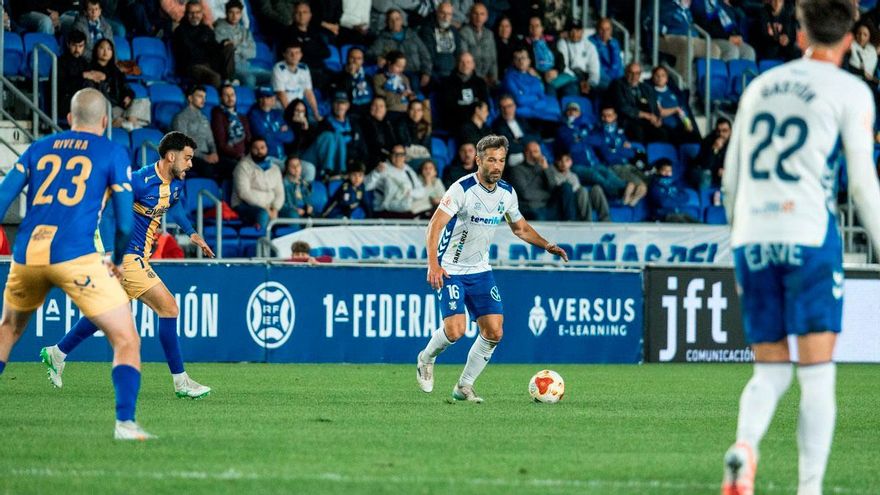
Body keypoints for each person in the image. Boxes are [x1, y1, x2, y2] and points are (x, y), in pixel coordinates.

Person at [720, 2, 880, 494]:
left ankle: (745, 449)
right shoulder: (852, 90)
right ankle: (808, 489)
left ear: (799, 30)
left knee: (770, 369)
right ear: (852, 36)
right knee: (817, 375)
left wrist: (740, 234)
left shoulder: (761, 86)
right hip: (808, 238)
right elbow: (861, 186)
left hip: (752, 238)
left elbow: (730, 180)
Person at [0, 88, 153, 440]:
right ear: (105, 121)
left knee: (8, 329)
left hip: (28, 253)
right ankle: (125, 424)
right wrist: (116, 259)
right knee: (126, 337)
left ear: (69, 119)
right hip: (77, 256)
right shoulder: (113, 151)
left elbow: (3, 198)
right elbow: (126, 222)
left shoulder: (39, 147)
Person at [41, 131, 215, 400]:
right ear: (171, 156)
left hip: (140, 256)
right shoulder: (140, 181)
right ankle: (181, 382)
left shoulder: (177, 182)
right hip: (127, 256)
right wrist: (111, 251)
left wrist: (192, 232)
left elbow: (175, 207)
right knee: (169, 307)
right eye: (188, 158)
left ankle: (58, 352)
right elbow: (109, 210)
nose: (191, 164)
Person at [416, 134, 569, 403]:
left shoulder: (507, 194)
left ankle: (464, 386)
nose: (497, 166)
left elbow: (519, 227)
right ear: (478, 160)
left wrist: (547, 245)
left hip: (481, 271)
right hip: (451, 268)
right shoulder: (461, 189)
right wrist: (433, 264)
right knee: (455, 331)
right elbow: (435, 225)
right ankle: (426, 357)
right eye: (491, 160)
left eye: (501, 160)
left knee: (495, 331)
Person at [87, 39, 150, 131]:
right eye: (102, 48)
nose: (105, 52)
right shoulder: (91, 69)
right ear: (96, 50)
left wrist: (128, 96)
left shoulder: (116, 70)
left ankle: (130, 123)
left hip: (121, 105)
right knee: (113, 113)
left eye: (109, 49)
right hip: (108, 107)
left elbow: (125, 86)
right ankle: (129, 124)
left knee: (143, 101)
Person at [590, 105, 648, 206]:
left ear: (615, 116)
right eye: (604, 116)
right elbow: (608, 156)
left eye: (609, 115)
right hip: (615, 167)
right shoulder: (598, 134)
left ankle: (628, 202)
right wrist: (622, 149)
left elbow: (631, 153)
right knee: (642, 188)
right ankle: (625, 204)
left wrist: (616, 150)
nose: (607, 118)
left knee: (651, 181)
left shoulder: (619, 132)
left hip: (628, 165)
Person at [507, 140, 576, 221]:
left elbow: (553, 186)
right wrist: (547, 194)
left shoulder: (543, 167)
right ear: (527, 153)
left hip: (548, 206)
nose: (539, 154)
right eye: (536, 152)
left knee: (566, 186)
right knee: (537, 215)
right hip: (532, 208)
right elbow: (525, 194)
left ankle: (571, 223)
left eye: (538, 151)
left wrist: (546, 170)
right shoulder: (517, 170)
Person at [172, 0, 235, 88]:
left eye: (198, 12)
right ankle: (218, 98)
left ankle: (228, 81)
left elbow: (214, 47)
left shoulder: (206, 29)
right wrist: (204, 44)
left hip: (209, 64)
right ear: (186, 14)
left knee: (229, 47)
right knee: (215, 77)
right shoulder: (180, 31)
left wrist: (223, 44)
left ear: (202, 14)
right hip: (193, 66)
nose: (195, 16)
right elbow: (190, 52)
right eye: (191, 13)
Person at [173, 85, 228, 181]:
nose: (203, 100)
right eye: (200, 96)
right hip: (190, 157)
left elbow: (210, 141)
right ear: (190, 98)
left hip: (207, 155)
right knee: (208, 169)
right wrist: (204, 157)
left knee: (232, 166)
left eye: (204, 97)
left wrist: (214, 153)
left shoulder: (204, 118)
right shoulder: (180, 118)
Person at [232, 137, 285, 229]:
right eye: (256, 148)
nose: (259, 151)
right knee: (263, 214)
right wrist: (266, 208)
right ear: (250, 149)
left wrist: (275, 208)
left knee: (292, 213)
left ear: (266, 149)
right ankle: (261, 242)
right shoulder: (242, 166)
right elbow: (243, 193)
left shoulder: (274, 168)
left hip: (271, 207)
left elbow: (280, 192)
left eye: (262, 148)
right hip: (246, 206)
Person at [214, 0, 269, 88]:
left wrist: (237, 48)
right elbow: (225, 50)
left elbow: (252, 53)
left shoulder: (244, 31)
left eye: (237, 13)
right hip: (230, 69)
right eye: (231, 12)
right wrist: (243, 47)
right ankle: (250, 100)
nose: (234, 16)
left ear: (241, 14)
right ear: (226, 13)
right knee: (250, 79)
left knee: (271, 76)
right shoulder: (219, 29)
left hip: (246, 66)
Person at [610, 62, 667, 144]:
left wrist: (657, 119)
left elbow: (654, 107)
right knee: (638, 131)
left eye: (637, 73)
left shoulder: (646, 88)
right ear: (626, 73)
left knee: (663, 132)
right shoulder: (618, 85)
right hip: (628, 120)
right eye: (631, 73)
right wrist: (646, 115)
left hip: (647, 121)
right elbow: (623, 107)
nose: (634, 76)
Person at [502, 47, 562, 122]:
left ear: (529, 61)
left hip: (537, 112)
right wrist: (536, 99)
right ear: (513, 62)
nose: (521, 61)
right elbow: (519, 100)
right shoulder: (509, 78)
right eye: (517, 58)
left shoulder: (533, 76)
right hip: (522, 114)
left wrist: (533, 104)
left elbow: (543, 98)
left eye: (523, 58)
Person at [365, 143, 425, 217]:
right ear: (390, 155)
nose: (398, 157)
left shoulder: (408, 171)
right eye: (395, 154)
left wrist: (409, 193)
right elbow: (366, 186)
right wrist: (376, 173)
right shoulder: (382, 168)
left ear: (405, 156)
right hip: (385, 212)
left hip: (405, 209)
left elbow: (421, 191)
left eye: (401, 154)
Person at [549, 153, 611, 222]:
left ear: (571, 162)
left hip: (581, 201)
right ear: (556, 162)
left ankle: (606, 220)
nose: (563, 163)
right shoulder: (551, 175)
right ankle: (587, 221)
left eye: (567, 160)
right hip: (567, 205)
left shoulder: (573, 175)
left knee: (596, 189)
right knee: (582, 190)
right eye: (560, 161)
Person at [440, 52, 490, 129]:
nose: (465, 65)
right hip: (457, 122)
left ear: (473, 65)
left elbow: (485, 103)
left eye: (468, 62)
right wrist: (472, 113)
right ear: (457, 64)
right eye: (462, 62)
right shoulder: (448, 83)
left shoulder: (480, 82)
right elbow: (448, 107)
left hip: (478, 120)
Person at [651, 65, 700, 144]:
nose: (660, 78)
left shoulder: (673, 92)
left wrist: (687, 123)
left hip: (680, 124)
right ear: (653, 78)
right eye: (657, 75)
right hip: (665, 126)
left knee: (695, 137)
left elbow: (681, 110)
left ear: (667, 78)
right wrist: (675, 109)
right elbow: (660, 112)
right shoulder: (652, 93)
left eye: (663, 75)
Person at [272, 42, 321, 118]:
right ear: (284, 54)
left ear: (301, 55)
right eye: (290, 53)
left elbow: (309, 92)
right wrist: (291, 115)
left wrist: (316, 112)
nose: (294, 56)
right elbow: (281, 94)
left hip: (299, 109)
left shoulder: (304, 68)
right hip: (282, 109)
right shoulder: (279, 68)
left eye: (297, 53)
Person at [418, 2, 462, 86]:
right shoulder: (427, 30)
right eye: (443, 13)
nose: (446, 17)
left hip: (452, 74)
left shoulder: (454, 31)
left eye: (449, 14)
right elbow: (427, 55)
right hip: (435, 74)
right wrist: (428, 73)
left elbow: (458, 52)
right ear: (437, 13)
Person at [211, 83, 252, 167]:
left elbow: (248, 139)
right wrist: (239, 155)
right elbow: (221, 144)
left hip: (245, 157)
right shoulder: (218, 115)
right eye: (226, 95)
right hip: (228, 157)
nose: (230, 98)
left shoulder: (242, 117)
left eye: (232, 95)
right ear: (220, 98)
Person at [248, 87, 294, 161]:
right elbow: (264, 137)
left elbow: (290, 137)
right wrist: (280, 132)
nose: (265, 100)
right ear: (257, 99)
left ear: (273, 99)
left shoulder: (277, 114)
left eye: (268, 97)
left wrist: (271, 133)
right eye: (261, 97)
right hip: (268, 157)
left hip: (283, 157)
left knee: (309, 168)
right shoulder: (254, 114)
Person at [557, 19, 600, 97]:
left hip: (586, 76)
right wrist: (579, 81)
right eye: (572, 31)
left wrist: (590, 83)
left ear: (582, 31)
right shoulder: (562, 43)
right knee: (571, 88)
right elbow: (564, 67)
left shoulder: (589, 46)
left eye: (577, 30)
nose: (574, 34)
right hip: (569, 75)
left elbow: (594, 70)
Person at [491, 94, 539, 166]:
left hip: (529, 150)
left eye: (509, 106)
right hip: (515, 156)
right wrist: (527, 145)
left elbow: (536, 136)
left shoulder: (522, 119)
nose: (507, 110)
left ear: (514, 106)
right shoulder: (497, 125)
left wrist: (520, 140)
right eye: (503, 107)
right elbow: (509, 147)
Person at [648, 158, 699, 222]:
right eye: (664, 171)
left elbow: (685, 197)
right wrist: (676, 199)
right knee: (685, 226)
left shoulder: (674, 183)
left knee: (699, 225)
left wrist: (671, 199)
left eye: (669, 171)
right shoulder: (655, 186)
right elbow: (663, 203)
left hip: (677, 213)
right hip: (663, 215)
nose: (668, 173)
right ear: (658, 171)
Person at [459, 3, 498, 85]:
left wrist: (493, 78)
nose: (479, 17)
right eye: (475, 14)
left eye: (482, 14)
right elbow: (465, 60)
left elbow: (493, 60)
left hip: (487, 78)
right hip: (469, 78)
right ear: (470, 15)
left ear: (486, 17)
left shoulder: (489, 34)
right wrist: (479, 79)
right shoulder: (463, 32)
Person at [58, 30, 92, 118]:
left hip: (81, 101)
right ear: (68, 44)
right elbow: (61, 86)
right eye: (74, 45)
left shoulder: (84, 62)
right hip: (65, 101)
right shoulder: (60, 62)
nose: (77, 50)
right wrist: (82, 76)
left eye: (80, 46)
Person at [373, 50, 417, 114]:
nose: (401, 70)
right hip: (392, 111)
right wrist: (401, 96)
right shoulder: (379, 78)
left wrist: (411, 97)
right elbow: (385, 101)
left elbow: (409, 96)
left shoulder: (404, 78)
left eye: (403, 67)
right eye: (398, 66)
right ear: (389, 63)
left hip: (407, 110)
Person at [361, 97, 399, 168]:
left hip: (389, 158)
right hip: (374, 161)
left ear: (385, 109)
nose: (378, 109)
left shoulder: (388, 123)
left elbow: (393, 143)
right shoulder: (364, 123)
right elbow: (372, 147)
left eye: (381, 106)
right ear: (370, 108)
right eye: (375, 105)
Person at [589, 17, 623, 91]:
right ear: (597, 29)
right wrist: (611, 80)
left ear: (611, 30)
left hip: (615, 80)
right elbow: (596, 67)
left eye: (607, 29)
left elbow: (619, 65)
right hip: (600, 78)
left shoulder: (614, 42)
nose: (605, 32)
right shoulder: (590, 43)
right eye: (602, 29)